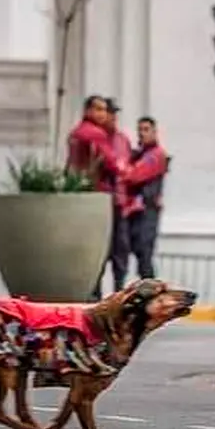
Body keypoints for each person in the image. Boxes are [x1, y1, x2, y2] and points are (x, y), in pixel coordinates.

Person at [66, 95, 133, 300]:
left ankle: (98, 290)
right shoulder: (95, 134)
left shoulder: (77, 133)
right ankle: (101, 291)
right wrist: (127, 170)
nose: (104, 115)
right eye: (100, 110)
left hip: (91, 196)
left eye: (106, 111)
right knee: (109, 246)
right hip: (103, 197)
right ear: (88, 111)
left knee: (108, 247)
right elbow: (113, 163)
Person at [124, 116, 169, 280]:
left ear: (154, 132)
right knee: (136, 250)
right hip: (137, 211)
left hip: (147, 210)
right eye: (140, 130)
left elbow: (134, 175)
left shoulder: (156, 155)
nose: (142, 134)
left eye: (146, 130)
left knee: (144, 252)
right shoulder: (141, 154)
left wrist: (126, 169)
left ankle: (150, 290)